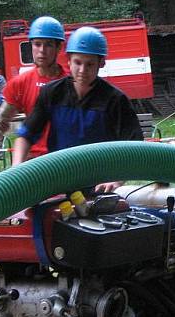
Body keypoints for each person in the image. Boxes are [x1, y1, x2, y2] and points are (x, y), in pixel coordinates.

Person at [13, 26, 142, 194]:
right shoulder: (52, 93)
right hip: (59, 183)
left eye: (90, 64)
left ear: (101, 63)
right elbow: (26, 136)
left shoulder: (115, 100)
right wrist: (16, 172)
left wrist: (117, 180)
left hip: (100, 188)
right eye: (78, 62)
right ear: (68, 60)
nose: (82, 70)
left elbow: (135, 147)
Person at [0, 16, 68, 165]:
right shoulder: (21, 83)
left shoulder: (71, 82)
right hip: (33, 161)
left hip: (66, 158)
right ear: (31, 46)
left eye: (48, 45)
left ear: (59, 47)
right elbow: (1, 118)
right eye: (37, 44)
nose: (42, 51)